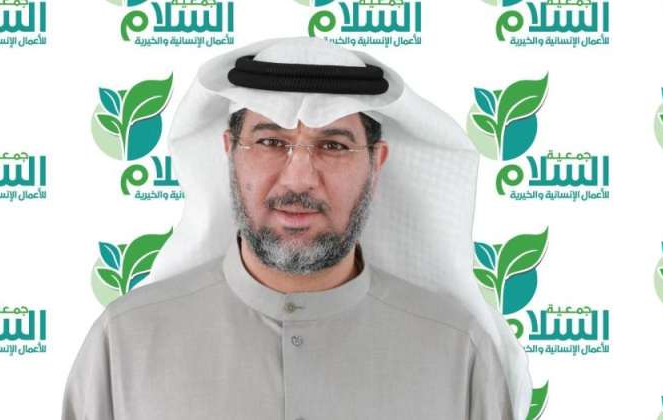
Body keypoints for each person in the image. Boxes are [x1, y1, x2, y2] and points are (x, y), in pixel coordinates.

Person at [63, 37, 532, 420]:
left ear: (376, 163)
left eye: (333, 145)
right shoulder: (123, 343)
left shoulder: (457, 351)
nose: (299, 179)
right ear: (230, 152)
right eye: (271, 141)